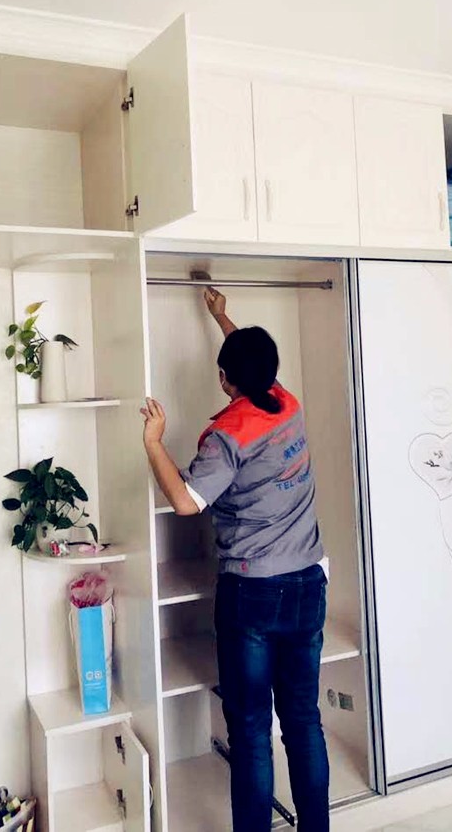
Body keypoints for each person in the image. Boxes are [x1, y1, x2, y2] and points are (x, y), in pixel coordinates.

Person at [141, 288, 330, 832]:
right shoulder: (286, 404)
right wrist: (222, 317)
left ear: (226, 380)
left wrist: (154, 441)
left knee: (250, 731)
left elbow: (186, 501)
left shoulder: (227, 437)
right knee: (303, 720)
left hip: (253, 592)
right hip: (308, 583)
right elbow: (251, 365)